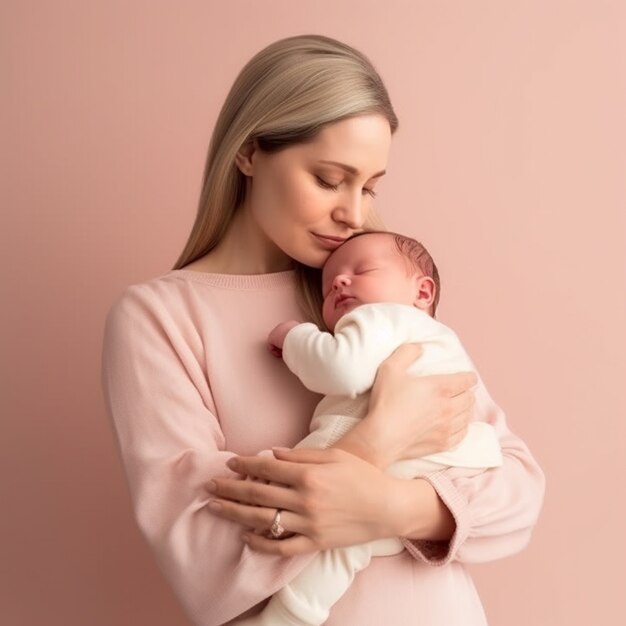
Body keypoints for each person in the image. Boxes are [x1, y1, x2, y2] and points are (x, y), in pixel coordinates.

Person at [101, 35, 545, 626]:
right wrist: (380, 438)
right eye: (330, 179)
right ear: (250, 152)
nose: (354, 214)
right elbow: (203, 557)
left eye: (369, 186)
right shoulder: (159, 318)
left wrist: (393, 506)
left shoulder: (371, 290)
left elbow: (517, 488)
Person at [238, 230, 503, 626]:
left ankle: (286, 614)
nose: (340, 282)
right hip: (448, 459)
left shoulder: (386, 316)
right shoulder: (442, 341)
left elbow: (340, 369)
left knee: (294, 480)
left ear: (423, 292)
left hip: (405, 447)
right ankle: (291, 614)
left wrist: (294, 336)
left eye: (362, 270)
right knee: (350, 543)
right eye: (329, 287)